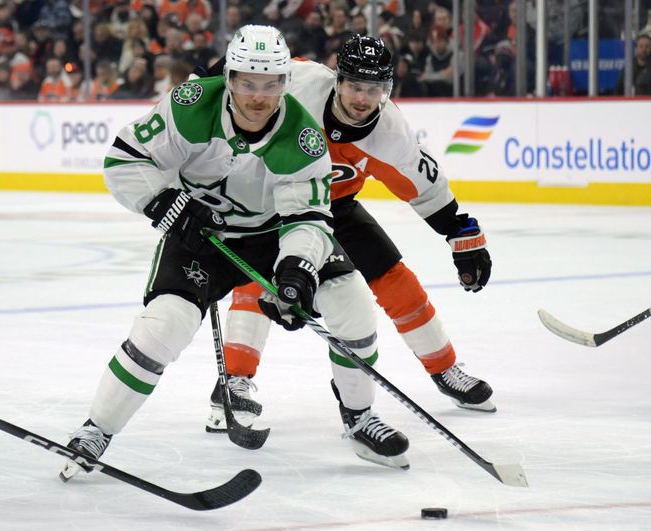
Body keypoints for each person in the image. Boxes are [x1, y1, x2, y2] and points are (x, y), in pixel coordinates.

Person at [60, 25, 410, 481]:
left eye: (271, 84)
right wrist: (167, 205)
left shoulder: (302, 137)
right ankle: (97, 430)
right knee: (166, 324)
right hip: (198, 236)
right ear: (229, 77)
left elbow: (307, 218)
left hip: (272, 234)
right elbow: (126, 161)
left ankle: (359, 416)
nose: (258, 96)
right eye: (247, 82)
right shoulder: (190, 106)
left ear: (286, 82)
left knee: (351, 301)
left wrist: (297, 271)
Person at [202, 35, 495, 435]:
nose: (362, 98)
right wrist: (200, 85)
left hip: (336, 205)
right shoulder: (302, 81)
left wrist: (458, 230)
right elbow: (244, 70)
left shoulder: (389, 130)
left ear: (386, 91)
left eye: (373, 89)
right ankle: (234, 382)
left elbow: (422, 184)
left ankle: (444, 369)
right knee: (258, 280)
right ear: (337, 80)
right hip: (273, 203)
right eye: (354, 85)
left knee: (395, 278)